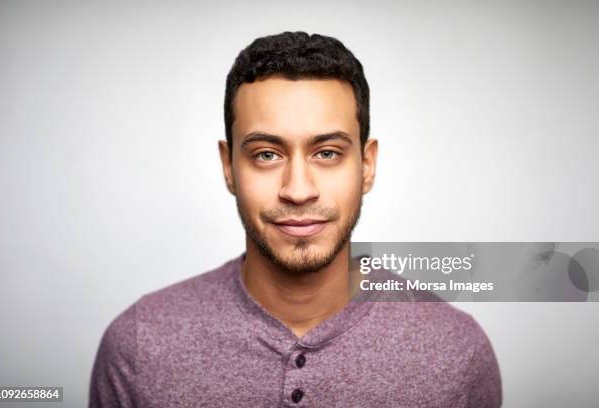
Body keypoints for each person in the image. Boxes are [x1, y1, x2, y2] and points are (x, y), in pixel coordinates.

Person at [89, 31, 502, 407]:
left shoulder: (455, 351)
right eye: (267, 154)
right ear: (229, 167)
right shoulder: (138, 345)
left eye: (327, 153)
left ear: (367, 166)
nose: (299, 189)